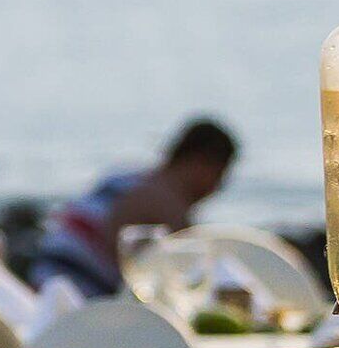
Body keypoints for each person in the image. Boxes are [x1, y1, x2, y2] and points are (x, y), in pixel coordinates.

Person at [30, 119, 237, 297]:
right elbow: (184, 274)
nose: (216, 188)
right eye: (219, 175)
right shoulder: (164, 199)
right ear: (199, 162)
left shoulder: (128, 177)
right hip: (74, 291)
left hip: (45, 280)